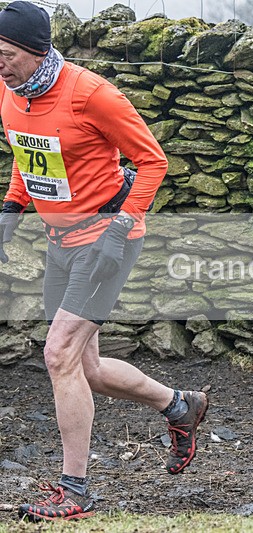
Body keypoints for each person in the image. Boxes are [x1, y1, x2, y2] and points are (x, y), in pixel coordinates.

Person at [0, 2, 208, 521]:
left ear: (34, 51)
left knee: (58, 356)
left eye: (4, 55)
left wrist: (119, 227)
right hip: (60, 239)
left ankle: (76, 491)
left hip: (106, 239)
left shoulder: (92, 94)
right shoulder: (11, 93)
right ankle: (179, 405)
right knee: (84, 368)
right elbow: (32, 156)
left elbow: (153, 160)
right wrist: (11, 208)